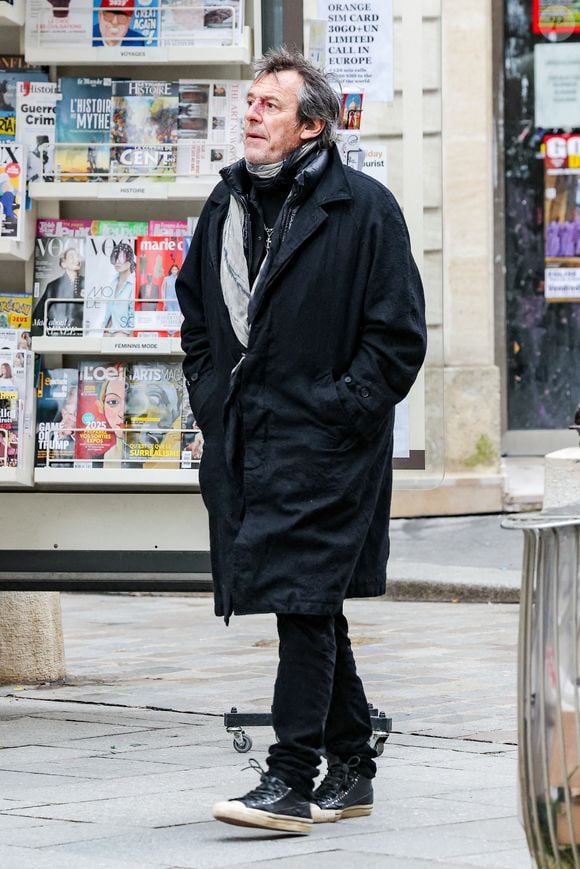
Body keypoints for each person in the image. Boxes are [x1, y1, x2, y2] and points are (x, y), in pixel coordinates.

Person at [176, 47, 427, 835]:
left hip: (329, 448)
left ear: (311, 125)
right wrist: (215, 405)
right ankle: (351, 760)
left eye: (269, 105)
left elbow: (397, 340)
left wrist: (338, 409)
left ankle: (290, 776)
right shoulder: (225, 207)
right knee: (307, 600)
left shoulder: (365, 209)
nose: (250, 113)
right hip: (249, 443)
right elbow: (196, 324)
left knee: (302, 602)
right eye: (249, 102)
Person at [32, 245, 84, 336]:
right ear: (63, 263)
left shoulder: (87, 282)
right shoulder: (53, 286)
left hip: (81, 335)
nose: (76, 259)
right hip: (58, 335)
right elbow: (38, 316)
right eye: (72, 257)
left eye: (78, 256)